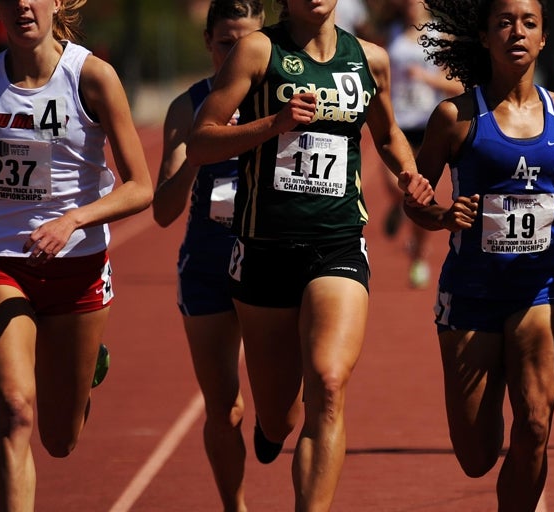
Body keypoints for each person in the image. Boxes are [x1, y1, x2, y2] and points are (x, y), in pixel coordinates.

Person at [0, 0, 153, 510]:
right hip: (1, 263)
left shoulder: (93, 78)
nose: (21, 5)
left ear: (57, 1)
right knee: (15, 410)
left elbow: (141, 187)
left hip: (79, 270)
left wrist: (73, 220)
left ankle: (84, 369)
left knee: (60, 440)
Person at [185, 0, 434, 509]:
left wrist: (409, 173)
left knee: (329, 380)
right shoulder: (258, 51)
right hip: (264, 249)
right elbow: (202, 141)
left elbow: (386, 134)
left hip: (338, 242)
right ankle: (272, 429)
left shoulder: (370, 58)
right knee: (280, 415)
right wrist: (272, 125)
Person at [404, 0, 554, 509]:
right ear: (484, 37)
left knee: (536, 424)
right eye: (504, 23)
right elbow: (418, 200)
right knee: (477, 456)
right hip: (471, 295)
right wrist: (441, 215)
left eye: (528, 23)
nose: (516, 32)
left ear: (543, 39)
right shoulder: (455, 117)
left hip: (540, 287)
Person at [151, 1, 264, 511]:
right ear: (207, 43)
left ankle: (279, 424)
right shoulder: (187, 106)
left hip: (270, 260)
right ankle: (234, 506)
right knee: (225, 408)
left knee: (288, 401)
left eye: (245, 44)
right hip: (208, 262)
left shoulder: (282, 101)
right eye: (225, 44)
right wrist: (200, 149)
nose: (234, 54)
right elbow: (164, 211)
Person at [381, 0, 463, 288]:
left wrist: (427, 78)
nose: (411, 6)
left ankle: (418, 257)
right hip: (399, 120)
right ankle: (397, 205)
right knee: (396, 186)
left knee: (422, 194)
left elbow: (459, 85)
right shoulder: (391, 32)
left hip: (429, 123)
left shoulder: (441, 36)